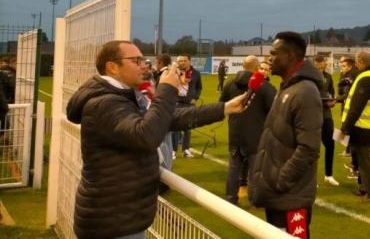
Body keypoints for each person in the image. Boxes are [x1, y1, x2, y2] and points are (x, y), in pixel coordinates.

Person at [65, 40, 248, 239]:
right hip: (113, 222)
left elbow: (169, 118)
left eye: (143, 59)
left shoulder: (119, 97)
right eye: (136, 60)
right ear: (112, 67)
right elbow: (147, 135)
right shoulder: (105, 103)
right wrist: (167, 89)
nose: (143, 64)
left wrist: (225, 108)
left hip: (119, 216)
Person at [249, 31, 323, 238]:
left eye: (274, 53)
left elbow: (308, 148)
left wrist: (282, 180)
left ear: (290, 56)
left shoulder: (305, 91)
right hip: (278, 195)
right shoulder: (288, 87)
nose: (269, 58)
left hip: (290, 197)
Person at [220, 55, 276, 205]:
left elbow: (222, 105)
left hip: (235, 132)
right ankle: (254, 199)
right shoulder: (264, 86)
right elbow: (273, 110)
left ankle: (231, 198)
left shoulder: (230, 84)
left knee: (234, 167)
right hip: (256, 133)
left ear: (243, 66)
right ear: (257, 68)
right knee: (255, 169)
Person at [341, 51, 370, 203]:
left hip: (363, 127)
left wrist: (345, 127)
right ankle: (364, 188)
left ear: (361, 62)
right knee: (361, 159)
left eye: (357, 62)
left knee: (363, 160)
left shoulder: (366, 78)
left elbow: (357, 106)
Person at [313, 55, 340, 186]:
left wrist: (332, 102)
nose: (319, 66)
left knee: (330, 145)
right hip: (312, 116)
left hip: (326, 116)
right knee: (313, 148)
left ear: (324, 64)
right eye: (317, 64)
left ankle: (328, 175)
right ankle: (311, 178)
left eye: (321, 63)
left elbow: (331, 93)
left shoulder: (328, 77)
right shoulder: (309, 78)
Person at [172, 54, 202, 158]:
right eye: (180, 61)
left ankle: (186, 150)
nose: (182, 63)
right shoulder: (174, 73)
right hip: (176, 103)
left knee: (188, 128)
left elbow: (199, 87)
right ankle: (173, 150)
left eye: (184, 60)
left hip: (189, 104)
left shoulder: (196, 74)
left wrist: (196, 98)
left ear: (189, 61)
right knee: (175, 128)